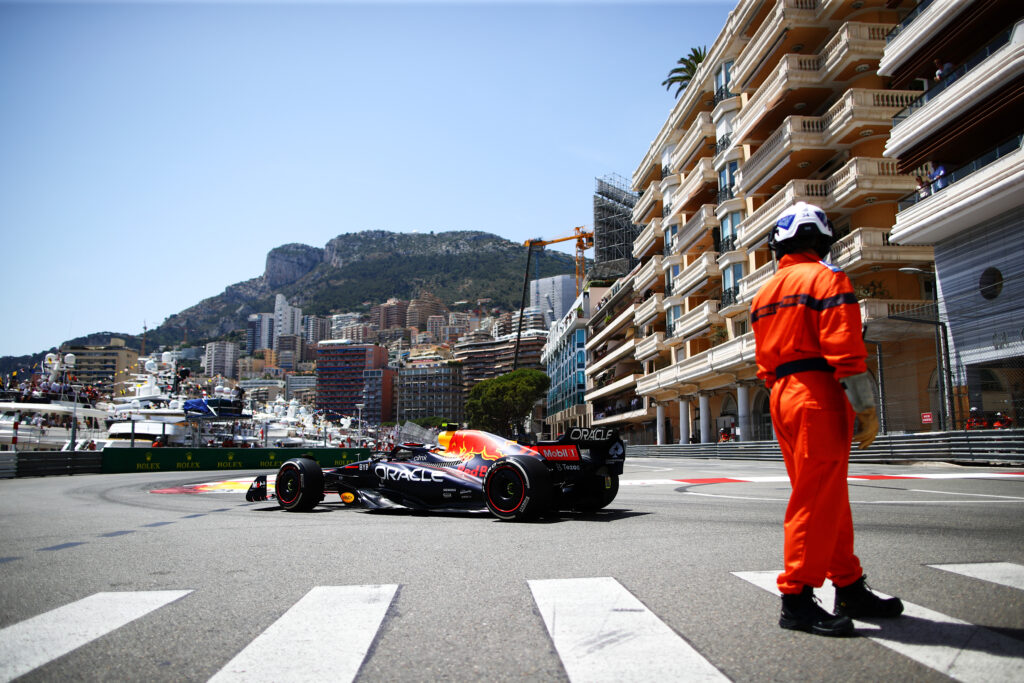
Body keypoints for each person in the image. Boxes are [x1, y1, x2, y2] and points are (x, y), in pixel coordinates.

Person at [751, 201, 904, 637]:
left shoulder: (765, 293)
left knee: (824, 495)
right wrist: (866, 406)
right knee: (817, 500)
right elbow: (845, 348)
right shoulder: (827, 277)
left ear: (778, 245)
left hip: (781, 394)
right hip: (818, 393)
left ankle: (849, 584)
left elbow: (764, 359)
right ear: (822, 241)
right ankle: (796, 599)